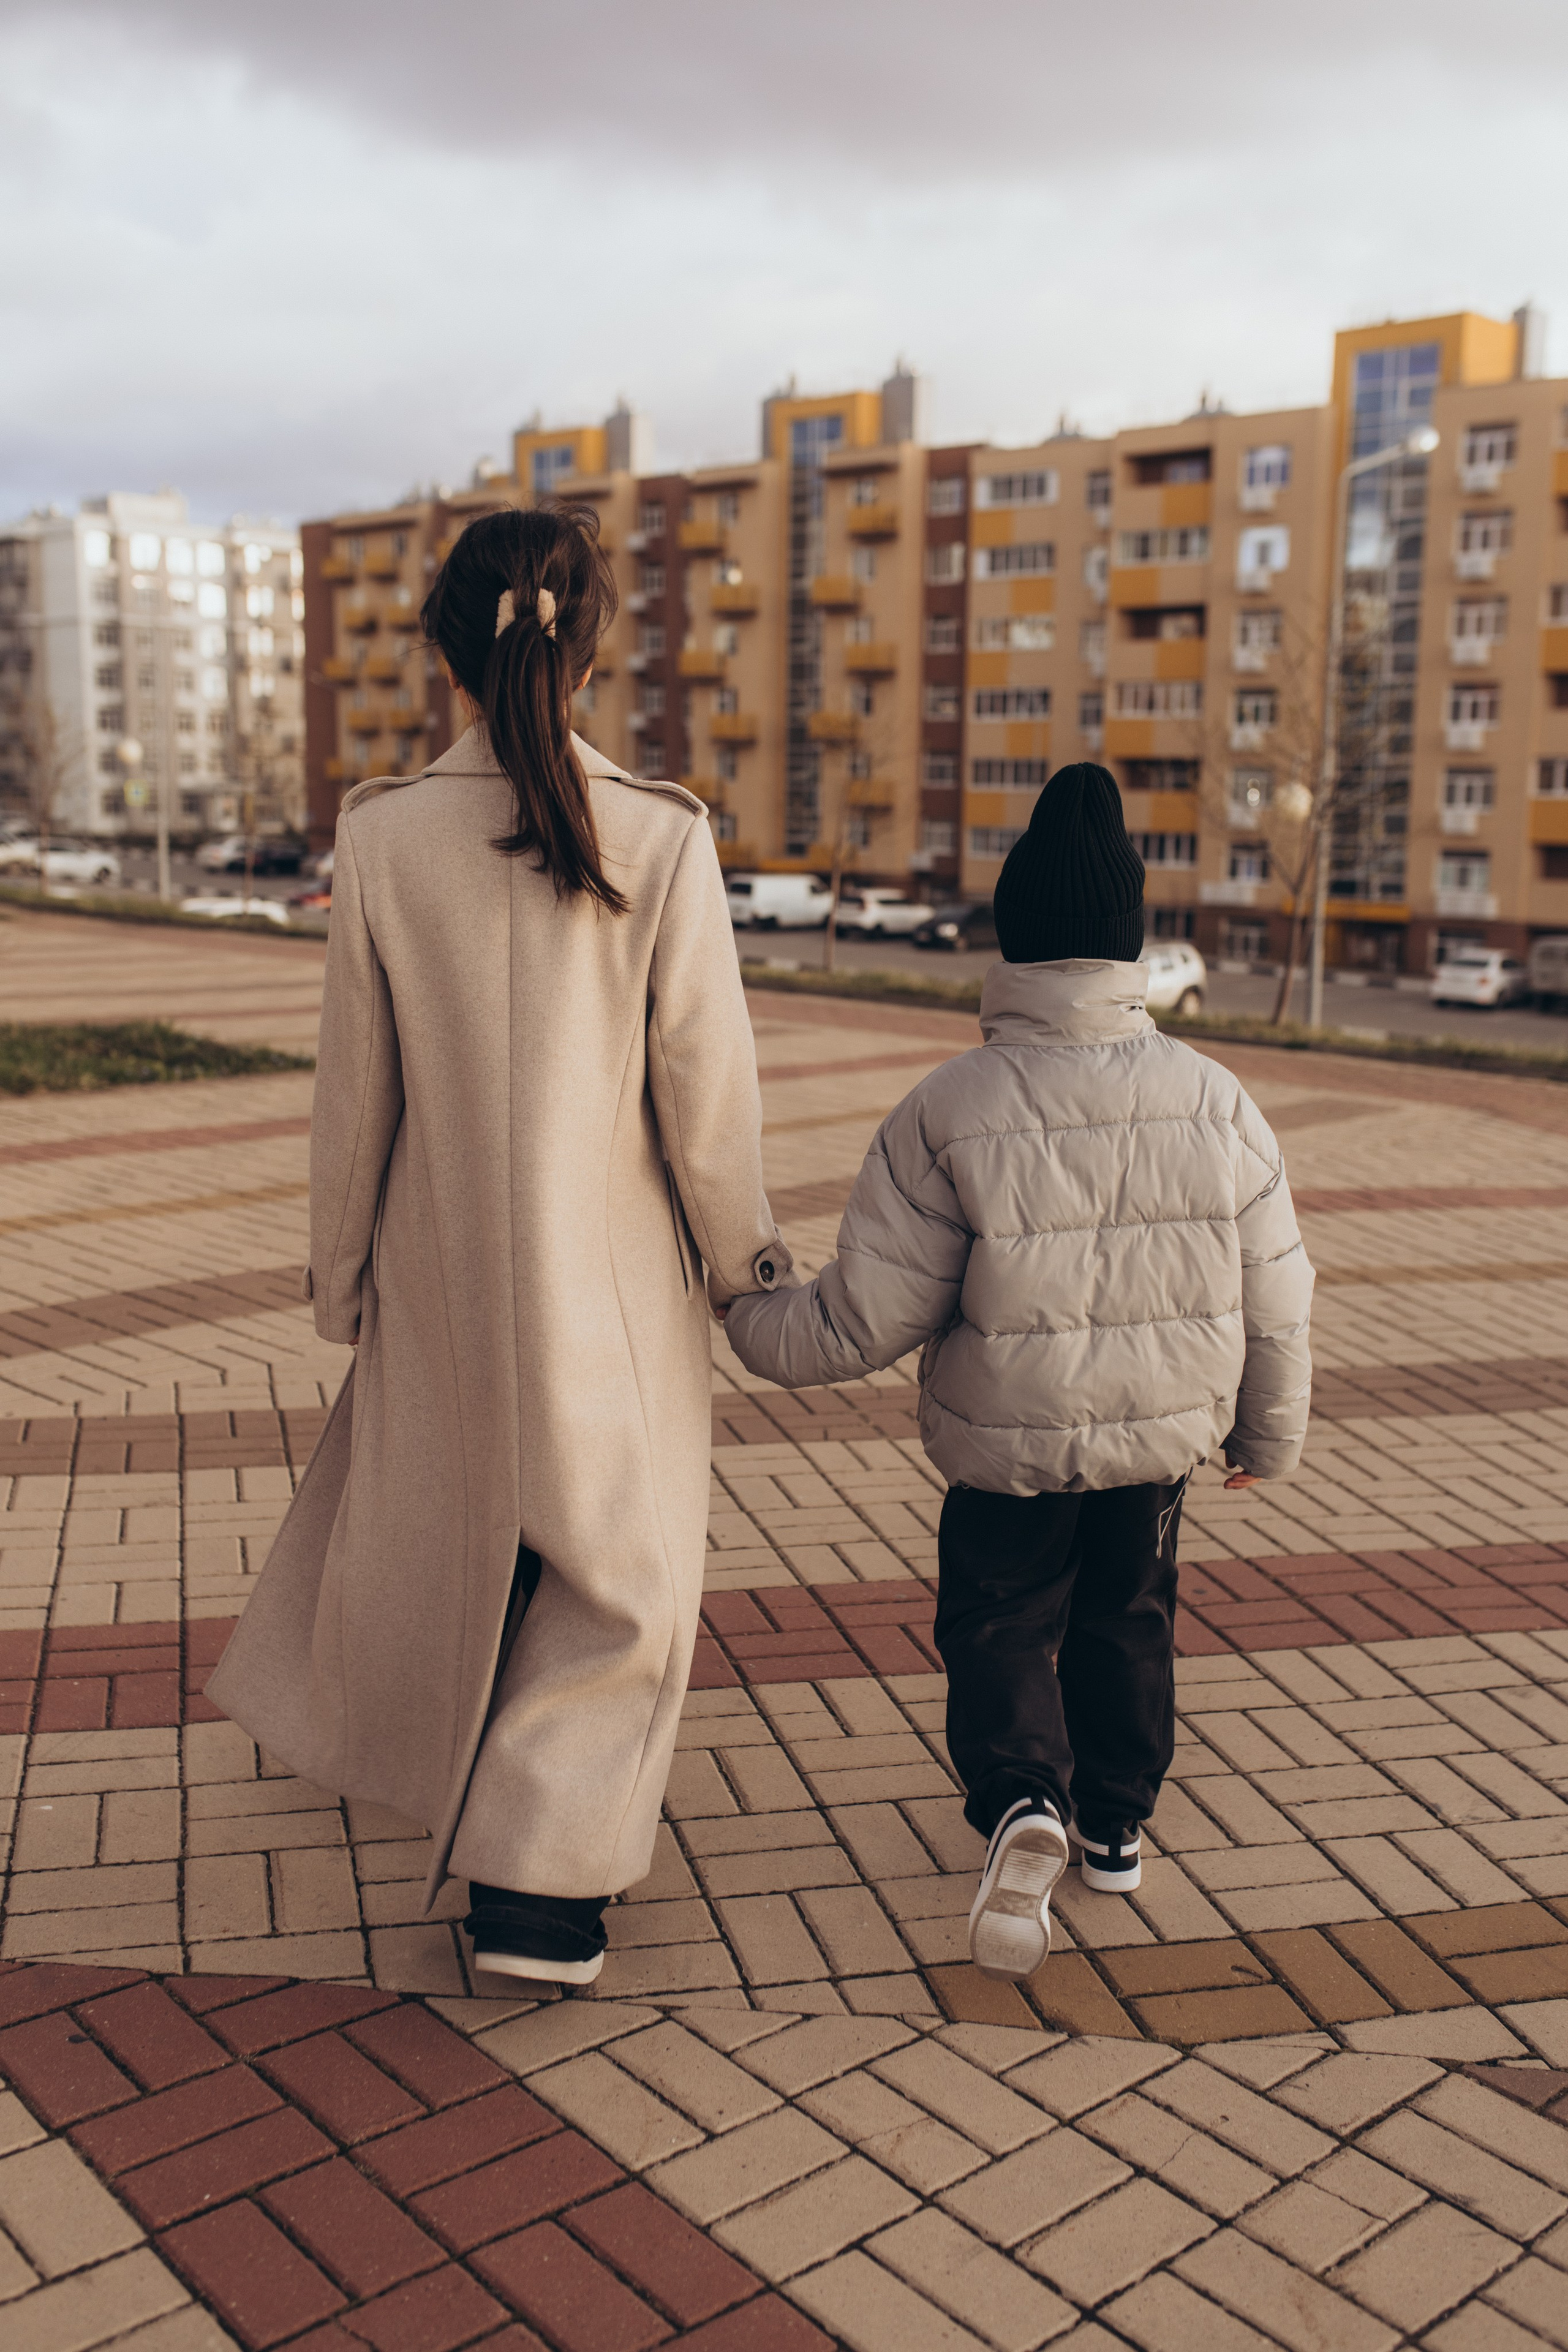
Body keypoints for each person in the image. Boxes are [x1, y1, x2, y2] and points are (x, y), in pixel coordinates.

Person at [208, 503, 788, 1986]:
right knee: (614, 1566)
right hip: (610, 1286)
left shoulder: (383, 834)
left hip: (443, 1268)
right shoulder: (658, 836)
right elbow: (703, 1098)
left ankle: (485, 1816)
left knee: (470, 1538)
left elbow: (357, 1100)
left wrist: (342, 1280)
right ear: (588, 650)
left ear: (445, 653)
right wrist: (748, 1269)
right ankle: (539, 1895)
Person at [723, 765, 1312, 1981]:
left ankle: (1018, 1802)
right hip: (1156, 1451)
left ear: (1012, 942)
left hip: (1003, 1448)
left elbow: (860, 1318)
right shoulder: (1217, 1103)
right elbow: (1278, 1294)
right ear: (1128, 948)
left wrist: (743, 1311)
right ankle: (1110, 1827)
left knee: (997, 1623)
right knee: (1128, 1621)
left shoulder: (949, 1108)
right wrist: (1267, 1433)